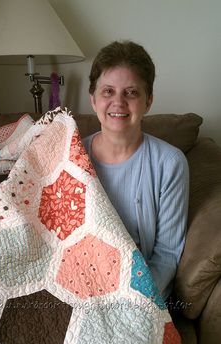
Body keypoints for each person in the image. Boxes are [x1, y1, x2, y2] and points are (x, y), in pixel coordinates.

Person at [83, 40, 189, 301]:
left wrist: (131, 298)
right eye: (108, 91)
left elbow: (167, 253)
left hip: (142, 294)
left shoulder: (170, 163)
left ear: (148, 102)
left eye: (131, 92)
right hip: (81, 285)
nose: (118, 102)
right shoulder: (72, 156)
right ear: (93, 100)